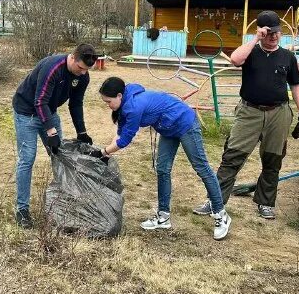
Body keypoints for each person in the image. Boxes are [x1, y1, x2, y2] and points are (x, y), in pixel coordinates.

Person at [194, 10, 299, 221]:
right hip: (249, 112)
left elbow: (296, 85)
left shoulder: (288, 57)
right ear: (261, 32)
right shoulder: (251, 52)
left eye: (276, 32)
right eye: (268, 32)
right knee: (232, 157)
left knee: (273, 160)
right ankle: (215, 201)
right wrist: (255, 39)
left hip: (278, 113)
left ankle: (265, 203)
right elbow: (235, 60)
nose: (273, 36)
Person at [96, 76, 231, 240]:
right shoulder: (124, 103)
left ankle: (220, 214)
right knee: (162, 169)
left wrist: (102, 152)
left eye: (108, 101)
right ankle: (163, 216)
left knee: (201, 168)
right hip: (168, 128)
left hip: (184, 122)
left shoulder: (133, 107)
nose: (108, 106)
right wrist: (107, 151)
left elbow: (124, 141)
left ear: (119, 96)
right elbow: (119, 134)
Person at [11, 43, 97, 228]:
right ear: (72, 57)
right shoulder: (53, 68)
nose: (82, 73)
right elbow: (39, 101)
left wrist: (81, 132)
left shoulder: (82, 76)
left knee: (60, 155)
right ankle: (22, 209)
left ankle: (66, 203)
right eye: (80, 68)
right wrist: (51, 131)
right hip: (26, 112)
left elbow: (76, 103)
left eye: (86, 70)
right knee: (27, 158)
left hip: (48, 111)